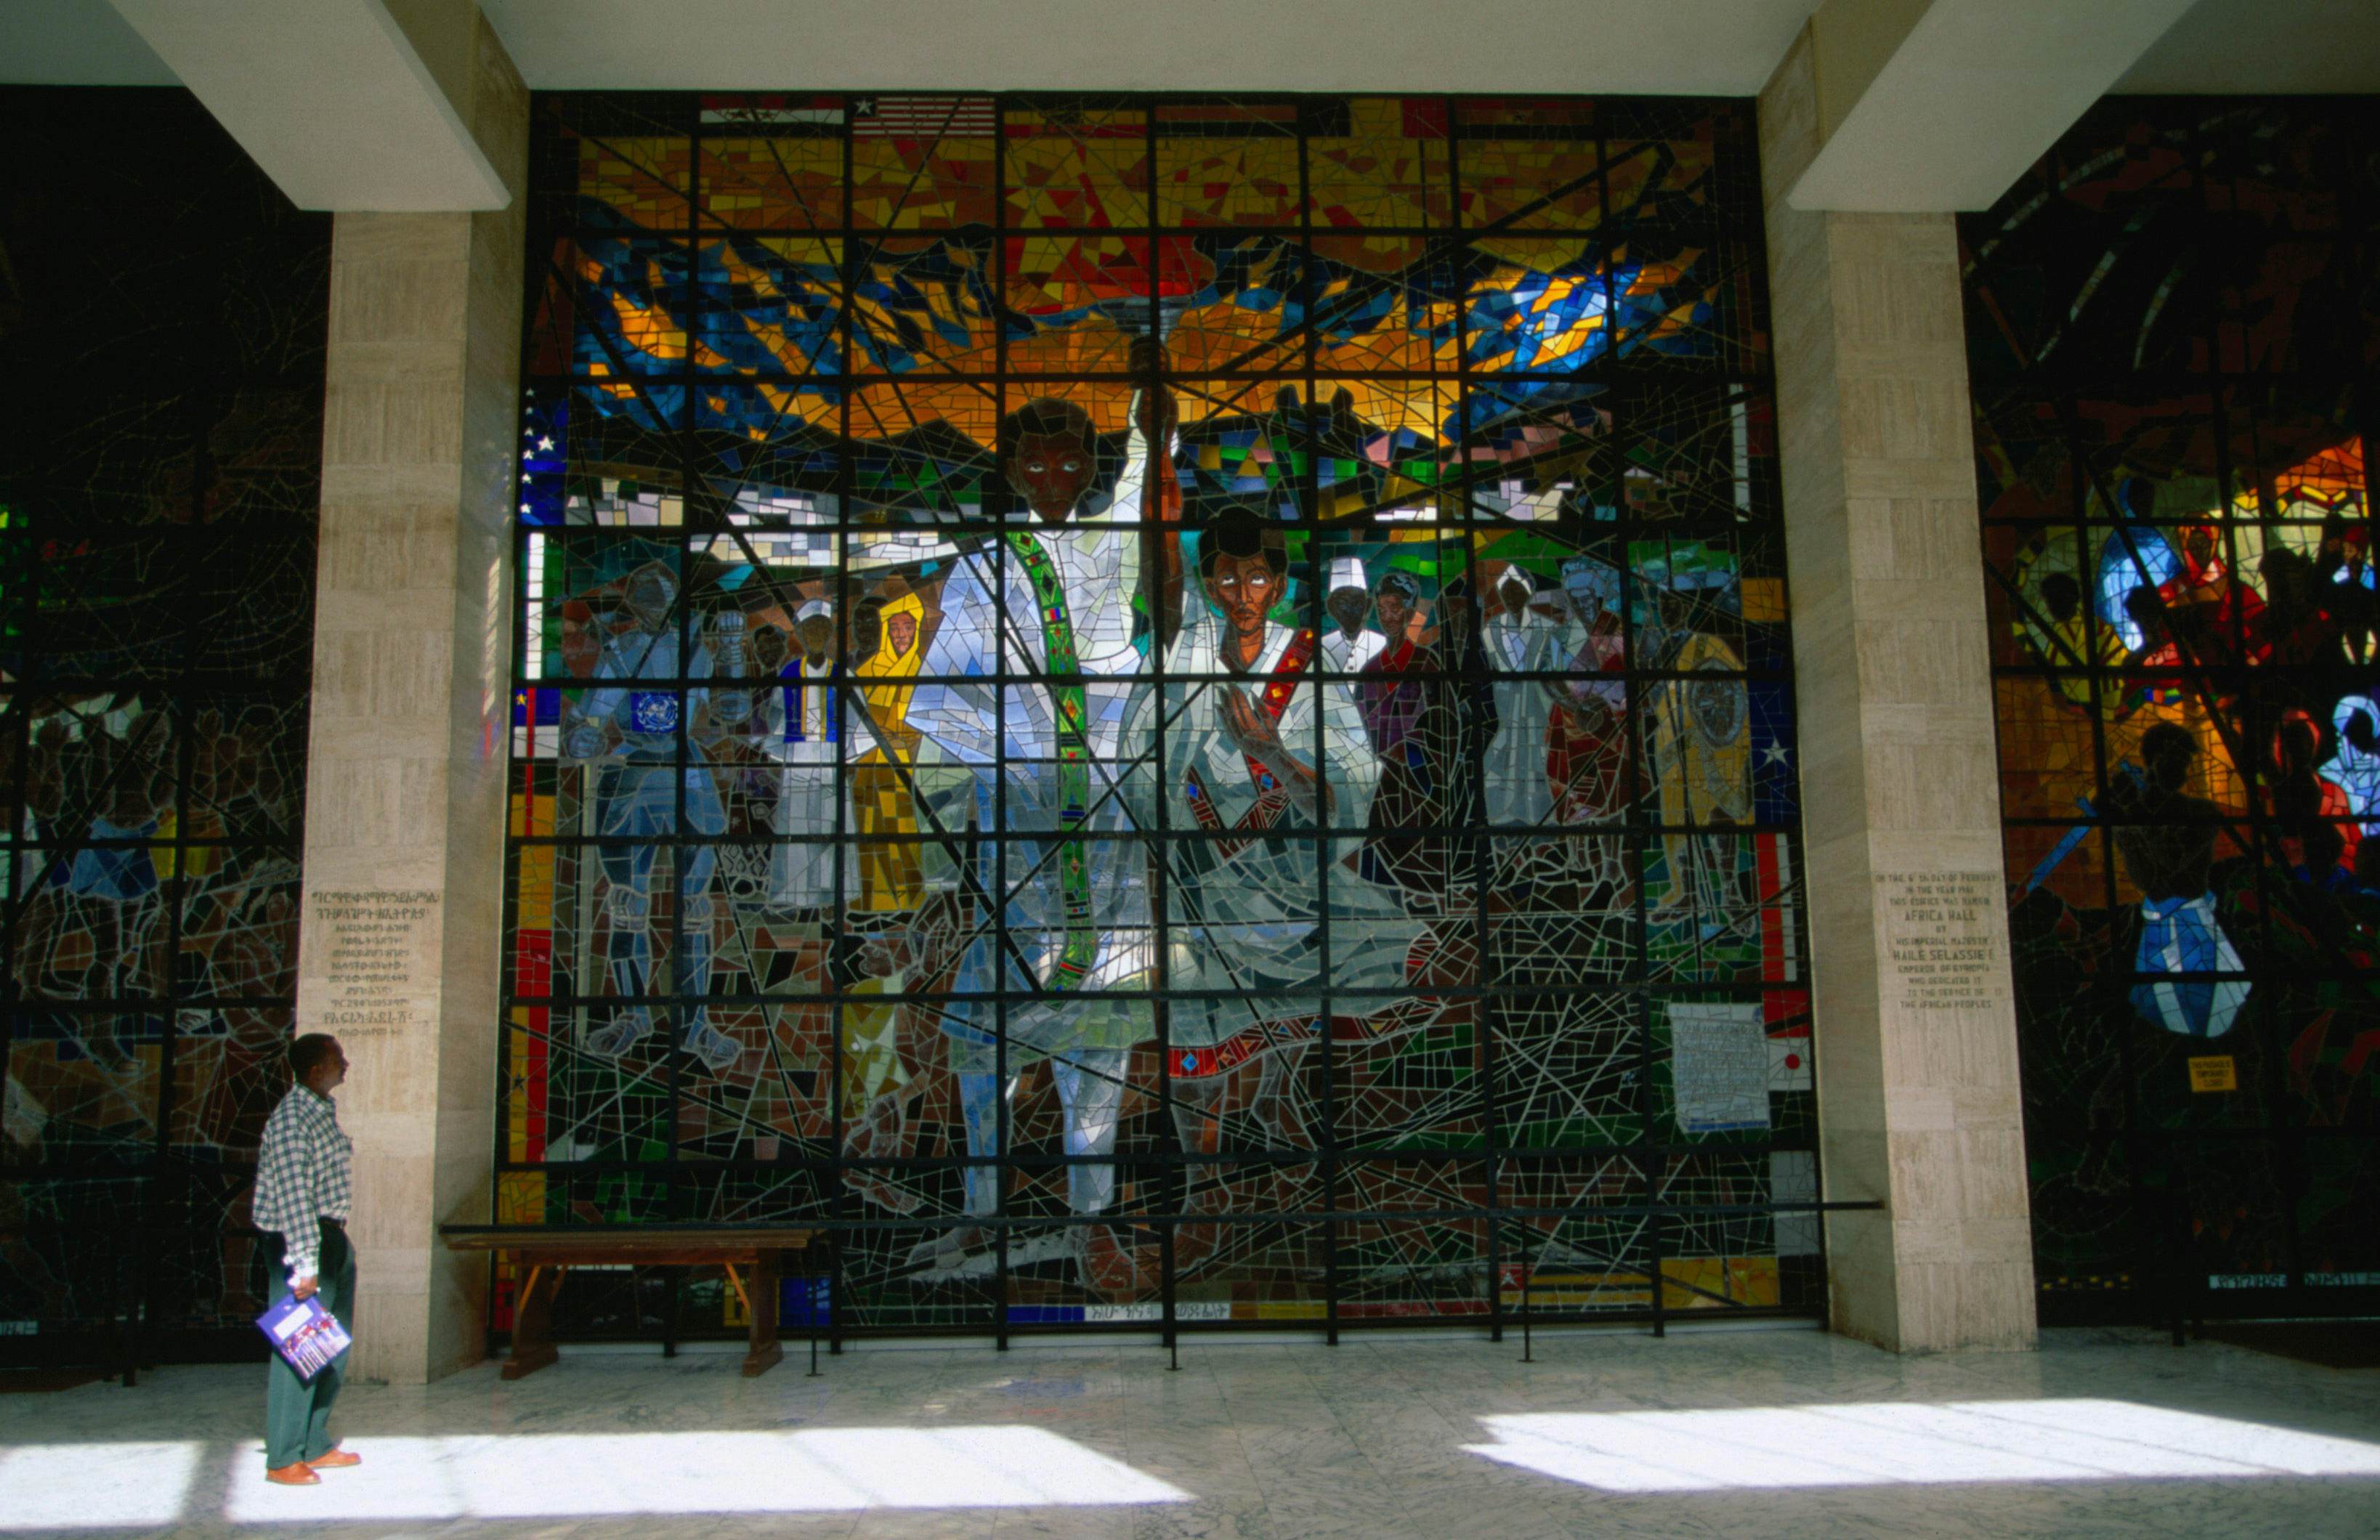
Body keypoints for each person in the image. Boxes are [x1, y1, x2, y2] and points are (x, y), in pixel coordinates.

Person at [899, 349, 1178, 1266]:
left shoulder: (1109, 552)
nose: (1056, 479)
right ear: (1016, 471)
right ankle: (983, 1203)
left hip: (1101, 834)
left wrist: (1152, 422)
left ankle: (1090, 1209)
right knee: (987, 1037)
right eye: (1039, 464)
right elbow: (940, 705)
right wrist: (1025, 740)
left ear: (1089, 467)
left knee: (1093, 1033)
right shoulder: (983, 570)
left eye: (1072, 463)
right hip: (1016, 838)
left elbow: (1148, 505)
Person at [560, 563, 742, 1072]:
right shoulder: (619, 652)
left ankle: (697, 1025)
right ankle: (633, 1014)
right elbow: (590, 720)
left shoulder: (696, 649)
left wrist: (730, 654)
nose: (653, 604)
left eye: (661, 594)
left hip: (687, 776)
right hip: (634, 774)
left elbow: (730, 709)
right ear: (633, 604)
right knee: (626, 905)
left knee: (696, 909)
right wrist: (584, 737)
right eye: (643, 595)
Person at [250, 1033, 359, 1487]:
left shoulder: (317, 1111)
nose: (345, 1065)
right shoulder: (294, 1118)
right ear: (316, 1069)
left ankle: (313, 1441)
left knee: (328, 1345)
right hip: (303, 1239)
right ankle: (283, 1456)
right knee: (298, 1349)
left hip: (328, 1235)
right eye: (338, 1059)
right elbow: (296, 1193)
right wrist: (305, 1262)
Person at [2106, 724, 2247, 1039]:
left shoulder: (2201, 812)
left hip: (2196, 926)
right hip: (2157, 927)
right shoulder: (2132, 812)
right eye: (2174, 760)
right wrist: (2127, 821)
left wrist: (2132, 815)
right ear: (2153, 760)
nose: (2181, 770)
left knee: (2213, 1012)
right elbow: (2147, 879)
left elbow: (2172, 870)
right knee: (2159, 1017)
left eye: (2184, 763)